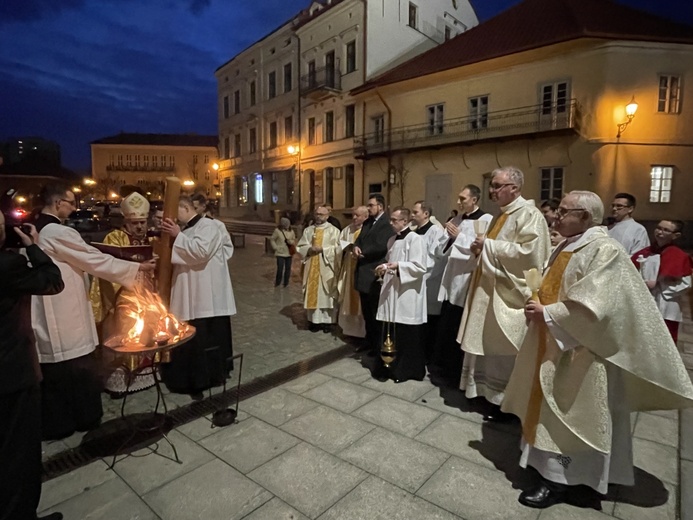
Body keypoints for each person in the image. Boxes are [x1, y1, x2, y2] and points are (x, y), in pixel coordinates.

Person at [503, 191, 693, 508]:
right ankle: (549, 469)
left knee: (571, 415)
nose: (557, 216)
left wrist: (548, 313)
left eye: (564, 211)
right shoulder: (568, 243)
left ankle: (559, 482)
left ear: (586, 217)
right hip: (554, 342)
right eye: (558, 210)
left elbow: (594, 305)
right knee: (550, 409)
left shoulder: (605, 250)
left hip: (582, 350)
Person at [31, 184, 154, 440]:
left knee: (58, 366)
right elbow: (93, 258)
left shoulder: (36, 227)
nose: (74, 208)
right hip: (64, 303)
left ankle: (58, 421)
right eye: (71, 202)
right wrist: (136, 269)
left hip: (48, 301)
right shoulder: (57, 231)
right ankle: (84, 416)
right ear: (57, 204)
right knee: (75, 361)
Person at [458, 167, 551, 420]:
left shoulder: (529, 215)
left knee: (504, 348)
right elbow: (495, 250)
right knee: (486, 344)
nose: (492, 190)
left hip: (508, 295)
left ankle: (505, 401)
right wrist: (481, 249)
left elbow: (531, 254)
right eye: (492, 185)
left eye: (498, 185)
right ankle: (487, 394)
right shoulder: (502, 216)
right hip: (489, 290)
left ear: (515, 188)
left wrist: (488, 246)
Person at [1, 214, 65, 520]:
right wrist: (34, 248)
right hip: (11, 374)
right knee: (19, 453)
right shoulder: (7, 266)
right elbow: (53, 280)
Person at [160, 196, 236, 399]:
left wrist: (178, 236)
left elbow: (200, 252)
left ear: (185, 207)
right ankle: (190, 379)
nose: (173, 218)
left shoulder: (209, 226)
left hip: (205, 296)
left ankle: (210, 377)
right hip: (189, 291)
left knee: (206, 336)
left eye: (175, 211)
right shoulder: (186, 230)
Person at [89, 191, 156, 396]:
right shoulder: (114, 238)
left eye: (143, 222)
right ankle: (121, 381)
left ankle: (146, 372)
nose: (139, 227)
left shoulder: (153, 238)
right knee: (125, 330)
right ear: (126, 222)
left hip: (149, 294)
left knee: (151, 329)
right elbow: (108, 268)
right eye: (135, 223)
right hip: (122, 296)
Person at [431, 185, 492, 386]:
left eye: (463, 198)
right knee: (446, 321)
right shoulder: (456, 220)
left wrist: (459, 237)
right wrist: (448, 237)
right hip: (452, 277)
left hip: (467, 277)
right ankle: (441, 365)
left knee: (459, 323)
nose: (459, 202)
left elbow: (481, 249)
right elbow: (441, 249)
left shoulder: (486, 220)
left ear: (474, 200)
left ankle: (456, 372)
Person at [374, 207, 427, 383]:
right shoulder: (391, 240)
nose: (391, 223)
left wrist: (398, 266)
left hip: (407, 293)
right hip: (392, 290)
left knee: (406, 333)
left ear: (405, 221)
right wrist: (384, 267)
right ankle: (388, 366)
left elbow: (420, 267)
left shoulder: (415, 239)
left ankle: (406, 370)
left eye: (395, 220)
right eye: (391, 219)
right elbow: (389, 262)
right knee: (390, 330)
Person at [632, 219, 692, 342]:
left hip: (666, 304)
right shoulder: (645, 253)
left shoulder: (679, 255)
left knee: (664, 339)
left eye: (666, 230)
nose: (660, 232)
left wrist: (659, 284)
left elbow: (686, 284)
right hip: (644, 299)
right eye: (659, 228)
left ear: (676, 235)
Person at [354, 194, 396, 355]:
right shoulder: (368, 222)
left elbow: (381, 245)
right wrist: (356, 247)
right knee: (366, 312)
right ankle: (369, 340)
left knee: (374, 312)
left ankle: (378, 344)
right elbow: (360, 239)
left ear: (380, 206)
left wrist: (364, 252)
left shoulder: (386, 224)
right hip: (362, 270)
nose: (369, 208)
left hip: (374, 272)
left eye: (371, 205)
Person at [411, 201, 446, 363]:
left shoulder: (435, 231)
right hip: (415, 280)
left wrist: (420, 274)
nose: (412, 215)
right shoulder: (414, 232)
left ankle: (429, 356)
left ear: (426, 214)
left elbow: (437, 258)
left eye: (415, 212)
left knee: (430, 321)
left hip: (429, 281)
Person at [297, 205, 342, 332]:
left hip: (327, 266)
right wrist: (309, 249)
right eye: (316, 214)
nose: (318, 217)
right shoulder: (308, 230)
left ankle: (328, 322)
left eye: (321, 214)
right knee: (313, 293)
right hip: (312, 266)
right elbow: (301, 246)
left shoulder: (334, 231)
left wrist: (323, 249)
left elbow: (338, 249)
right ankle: (314, 321)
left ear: (327, 216)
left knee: (326, 294)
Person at [337, 206, 368, 339]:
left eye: (357, 215)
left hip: (362, 269)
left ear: (366, 217)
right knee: (348, 298)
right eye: (353, 215)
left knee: (361, 302)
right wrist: (346, 247)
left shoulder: (368, 230)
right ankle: (349, 330)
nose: (354, 218)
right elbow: (338, 244)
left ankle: (362, 332)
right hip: (349, 268)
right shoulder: (347, 230)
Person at [270, 217, 296, 287]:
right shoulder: (277, 231)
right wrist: (275, 247)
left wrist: (290, 242)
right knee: (280, 268)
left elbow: (293, 239)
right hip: (280, 253)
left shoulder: (291, 231)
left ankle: (286, 282)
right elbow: (272, 239)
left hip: (289, 252)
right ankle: (278, 282)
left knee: (288, 268)